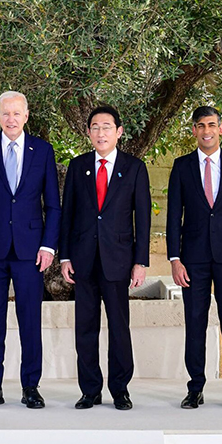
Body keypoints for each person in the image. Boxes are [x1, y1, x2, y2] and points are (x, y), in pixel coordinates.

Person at [0, 91, 60, 410]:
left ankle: (31, 386)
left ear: (26, 116)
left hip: (31, 251)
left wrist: (48, 245)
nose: (11, 119)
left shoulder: (43, 151)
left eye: (17, 113)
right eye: (6, 113)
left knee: (30, 319)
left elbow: (53, 206)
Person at [59, 106, 150, 411]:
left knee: (119, 327)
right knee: (85, 328)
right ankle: (90, 390)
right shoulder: (78, 166)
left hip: (118, 260)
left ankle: (120, 389)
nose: (101, 133)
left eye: (107, 127)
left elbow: (144, 219)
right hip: (83, 260)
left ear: (119, 132)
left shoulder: (134, 168)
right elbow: (67, 215)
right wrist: (65, 256)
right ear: (88, 133)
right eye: (95, 127)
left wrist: (140, 262)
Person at [167, 105, 222, 410]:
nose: (206, 130)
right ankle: (195, 388)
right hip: (192, 259)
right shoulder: (181, 167)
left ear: (220, 129)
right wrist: (174, 259)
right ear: (194, 131)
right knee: (195, 322)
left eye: (212, 125)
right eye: (201, 125)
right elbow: (172, 217)